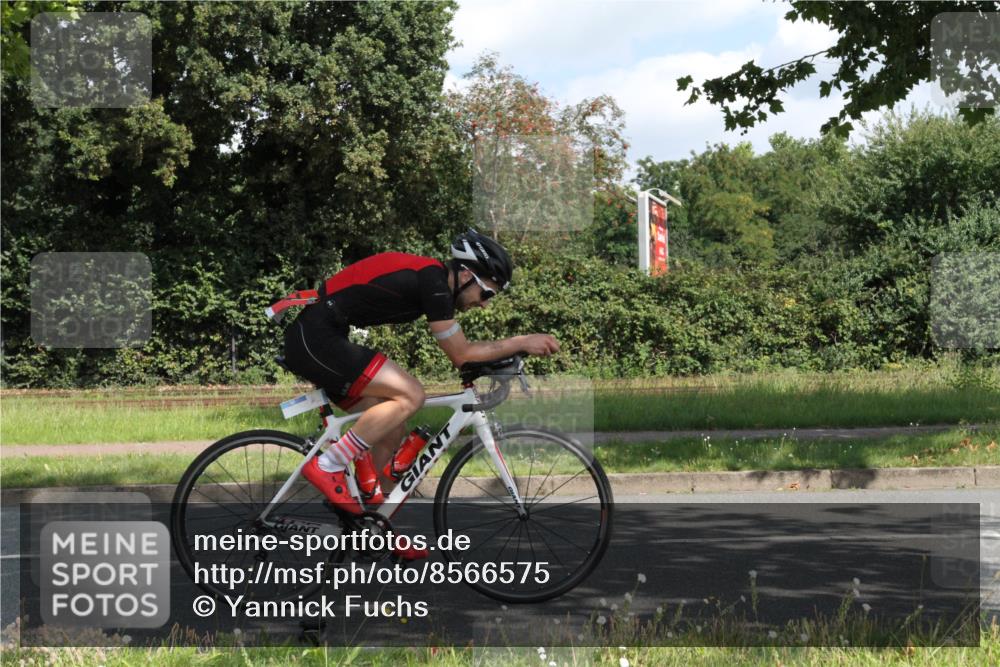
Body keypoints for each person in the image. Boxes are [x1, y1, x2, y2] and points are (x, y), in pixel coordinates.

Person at [280, 229, 560, 554]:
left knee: (391, 426)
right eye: (487, 294)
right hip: (316, 335)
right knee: (412, 394)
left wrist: (504, 357)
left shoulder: (434, 282)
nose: (483, 305)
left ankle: (373, 525)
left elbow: (463, 353)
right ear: (467, 275)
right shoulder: (434, 282)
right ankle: (328, 465)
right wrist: (521, 342)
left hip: (322, 334)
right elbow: (461, 354)